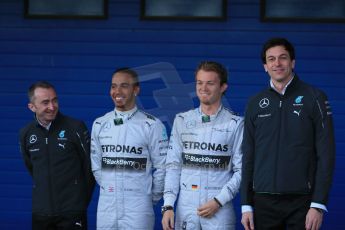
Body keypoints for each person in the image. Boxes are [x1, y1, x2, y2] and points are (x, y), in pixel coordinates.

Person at [241, 37, 335, 230]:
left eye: (282, 58)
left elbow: (327, 155)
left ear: (292, 62)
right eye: (271, 59)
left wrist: (317, 204)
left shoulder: (315, 97)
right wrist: (246, 204)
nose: (277, 63)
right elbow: (248, 156)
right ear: (265, 66)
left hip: (302, 202)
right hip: (263, 202)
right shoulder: (255, 103)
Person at [161, 61, 244, 230]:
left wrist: (218, 200)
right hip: (185, 210)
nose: (203, 88)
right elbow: (173, 166)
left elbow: (242, 170)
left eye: (210, 83)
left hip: (219, 210)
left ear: (223, 87)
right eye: (199, 83)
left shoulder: (235, 124)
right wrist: (168, 205)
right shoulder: (182, 120)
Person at [91, 68, 168, 229]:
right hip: (107, 206)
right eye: (113, 86)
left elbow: (163, 167)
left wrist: (148, 198)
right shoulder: (99, 123)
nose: (117, 91)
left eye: (124, 86)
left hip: (138, 208)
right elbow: (96, 166)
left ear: (136, 90)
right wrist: (110, 188)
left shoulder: (152, 125)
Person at [19, 81, 95, 230]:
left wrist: (78, 203)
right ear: (32, 107)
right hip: (41, 213)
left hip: (72, 212)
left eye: (55, 100)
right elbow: (31, 168)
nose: (52, 107)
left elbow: (90, 168)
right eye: (45, 102)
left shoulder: (75, 127)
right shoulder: (26, 133)